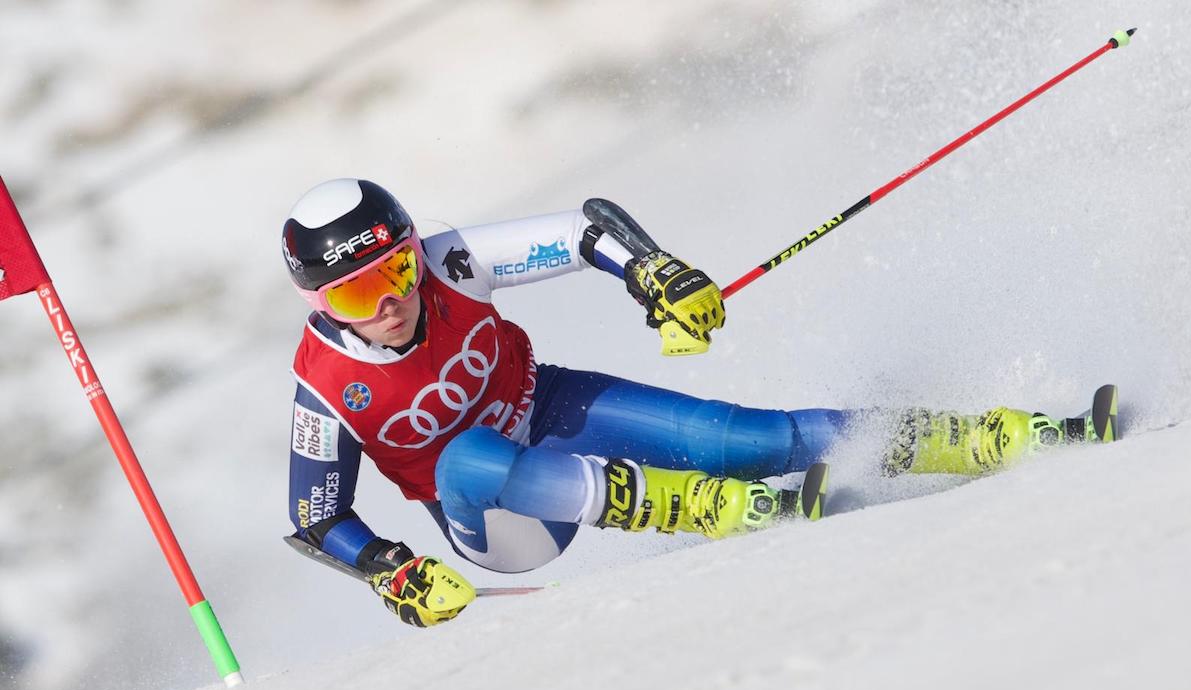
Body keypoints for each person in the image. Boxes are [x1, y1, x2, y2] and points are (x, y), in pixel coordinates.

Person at [283, 178, 1109, 627]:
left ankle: (985, 435)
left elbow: (583, 230)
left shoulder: (450, 263)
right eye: (355, 297)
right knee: (465, 453)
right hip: (502, 520)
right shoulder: (324, 384)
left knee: (749, 437)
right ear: (320, 304)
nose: (387, 303)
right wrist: (392, 570)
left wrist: (655, 271)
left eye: (394, 272)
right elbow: (317, 515)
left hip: (549, 405)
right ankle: (705, 509)